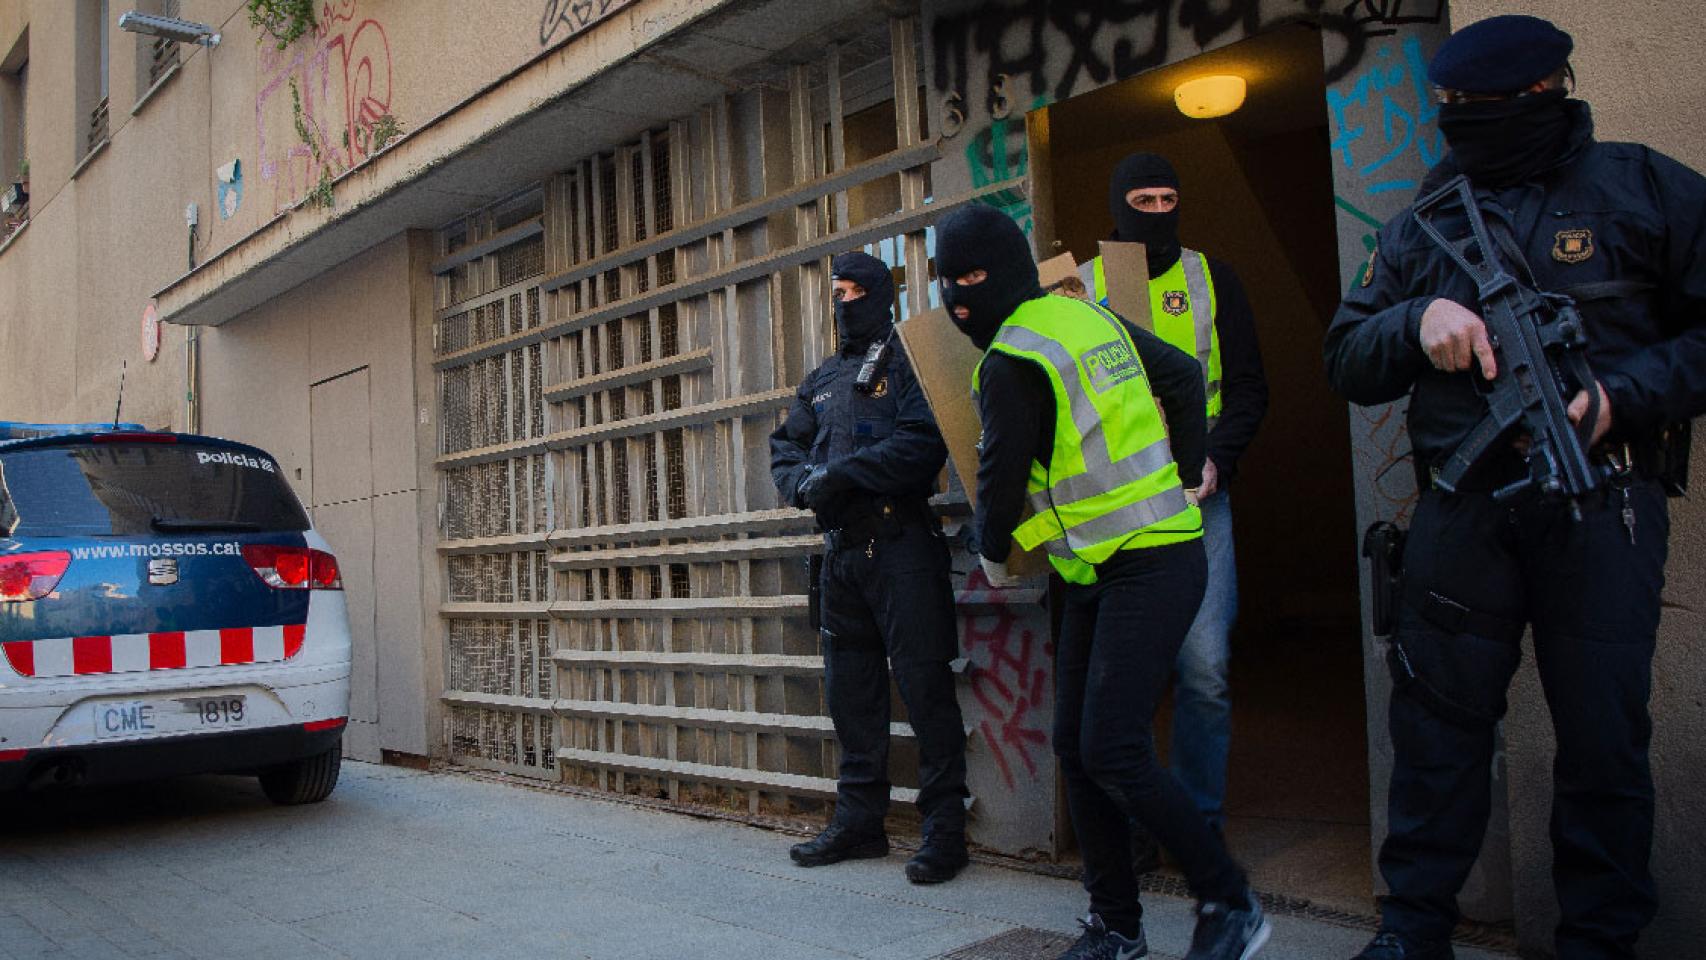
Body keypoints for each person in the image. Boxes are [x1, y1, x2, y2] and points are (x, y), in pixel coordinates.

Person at [1324, 15, 1706, 960]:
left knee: (1603, 741)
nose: (1468, 127)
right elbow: (1347, 353)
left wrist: (1621, 396)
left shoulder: (1643, 186)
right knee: (1437, 732)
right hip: (1464, 509)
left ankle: (1601, 939)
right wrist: (1417, 320)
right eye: (1457, 113)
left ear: (1550, 92)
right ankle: (1413, 930)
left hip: (1602, 501)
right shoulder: (1422, 220)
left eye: (1488, 110)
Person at [937, 202, 1269, 960]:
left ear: (1008, 272)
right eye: (947, 283)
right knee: (1076, 746)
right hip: (1105, 567)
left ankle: (1232, 903)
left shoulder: (1013, 360)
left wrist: (991, 556)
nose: (960, 298)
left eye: (974, 278)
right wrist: (1187, 474)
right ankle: (1117, 927)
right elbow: (1182, 378)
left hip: (1150, 563)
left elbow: (1000, 478)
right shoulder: (1082, 318)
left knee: (1112, 747)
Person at [769, 250, 971, 885]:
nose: (843, 301)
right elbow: (785, 446)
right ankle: (860, 823)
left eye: (855, 291)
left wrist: (839, 475)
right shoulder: (824, 379)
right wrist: (804, 483)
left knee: (926, 692)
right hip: (841, 559)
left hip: (902, 547)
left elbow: (920, 446)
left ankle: (944, 831)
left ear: (881, 295)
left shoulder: (910, 362)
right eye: (837, 291)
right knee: (853, 700)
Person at [1089, 153, 1269, 854]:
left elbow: (1251, 386)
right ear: (1119, 203)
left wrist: (1218, 458)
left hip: (1199, 502)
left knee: (1205, 668)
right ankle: (1140, 822)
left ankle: (1198, 822)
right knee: (1123, 674)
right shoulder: (1086, 286)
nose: (1158, 211)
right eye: (1143, 199)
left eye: (1169, 198)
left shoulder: (1212, 278)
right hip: (1116, 509)